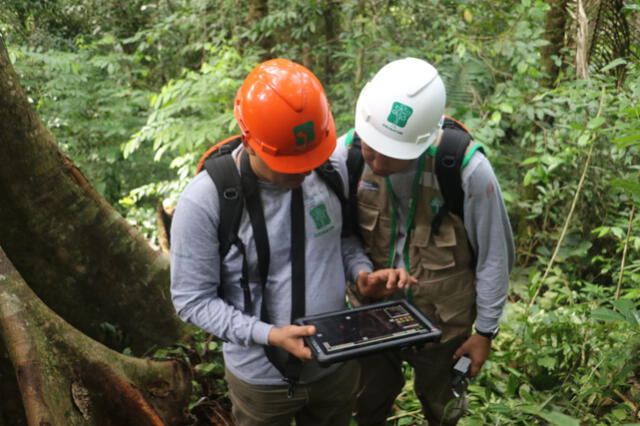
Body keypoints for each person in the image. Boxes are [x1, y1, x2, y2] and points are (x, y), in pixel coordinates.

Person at [170, 58, 413, 426]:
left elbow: (342, 238)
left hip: (335, 365)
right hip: (261, 382)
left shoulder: (329, 166)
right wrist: (268, 335)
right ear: (251, 143)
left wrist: (360, 272)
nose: (303, 169)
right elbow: (192, 299)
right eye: (289, 161)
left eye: (310, 156)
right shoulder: (207, 200)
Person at [342, 57, 515, 425]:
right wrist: (359, 273)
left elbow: (494, 256)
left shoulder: (466, 169)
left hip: (444, 325)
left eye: (389, 152)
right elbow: (341, 236)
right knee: (365, 402)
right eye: (370, 145)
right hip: (370, 316)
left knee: (444, 407)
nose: (373, 158)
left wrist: (485, 332)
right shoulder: (346, 155)